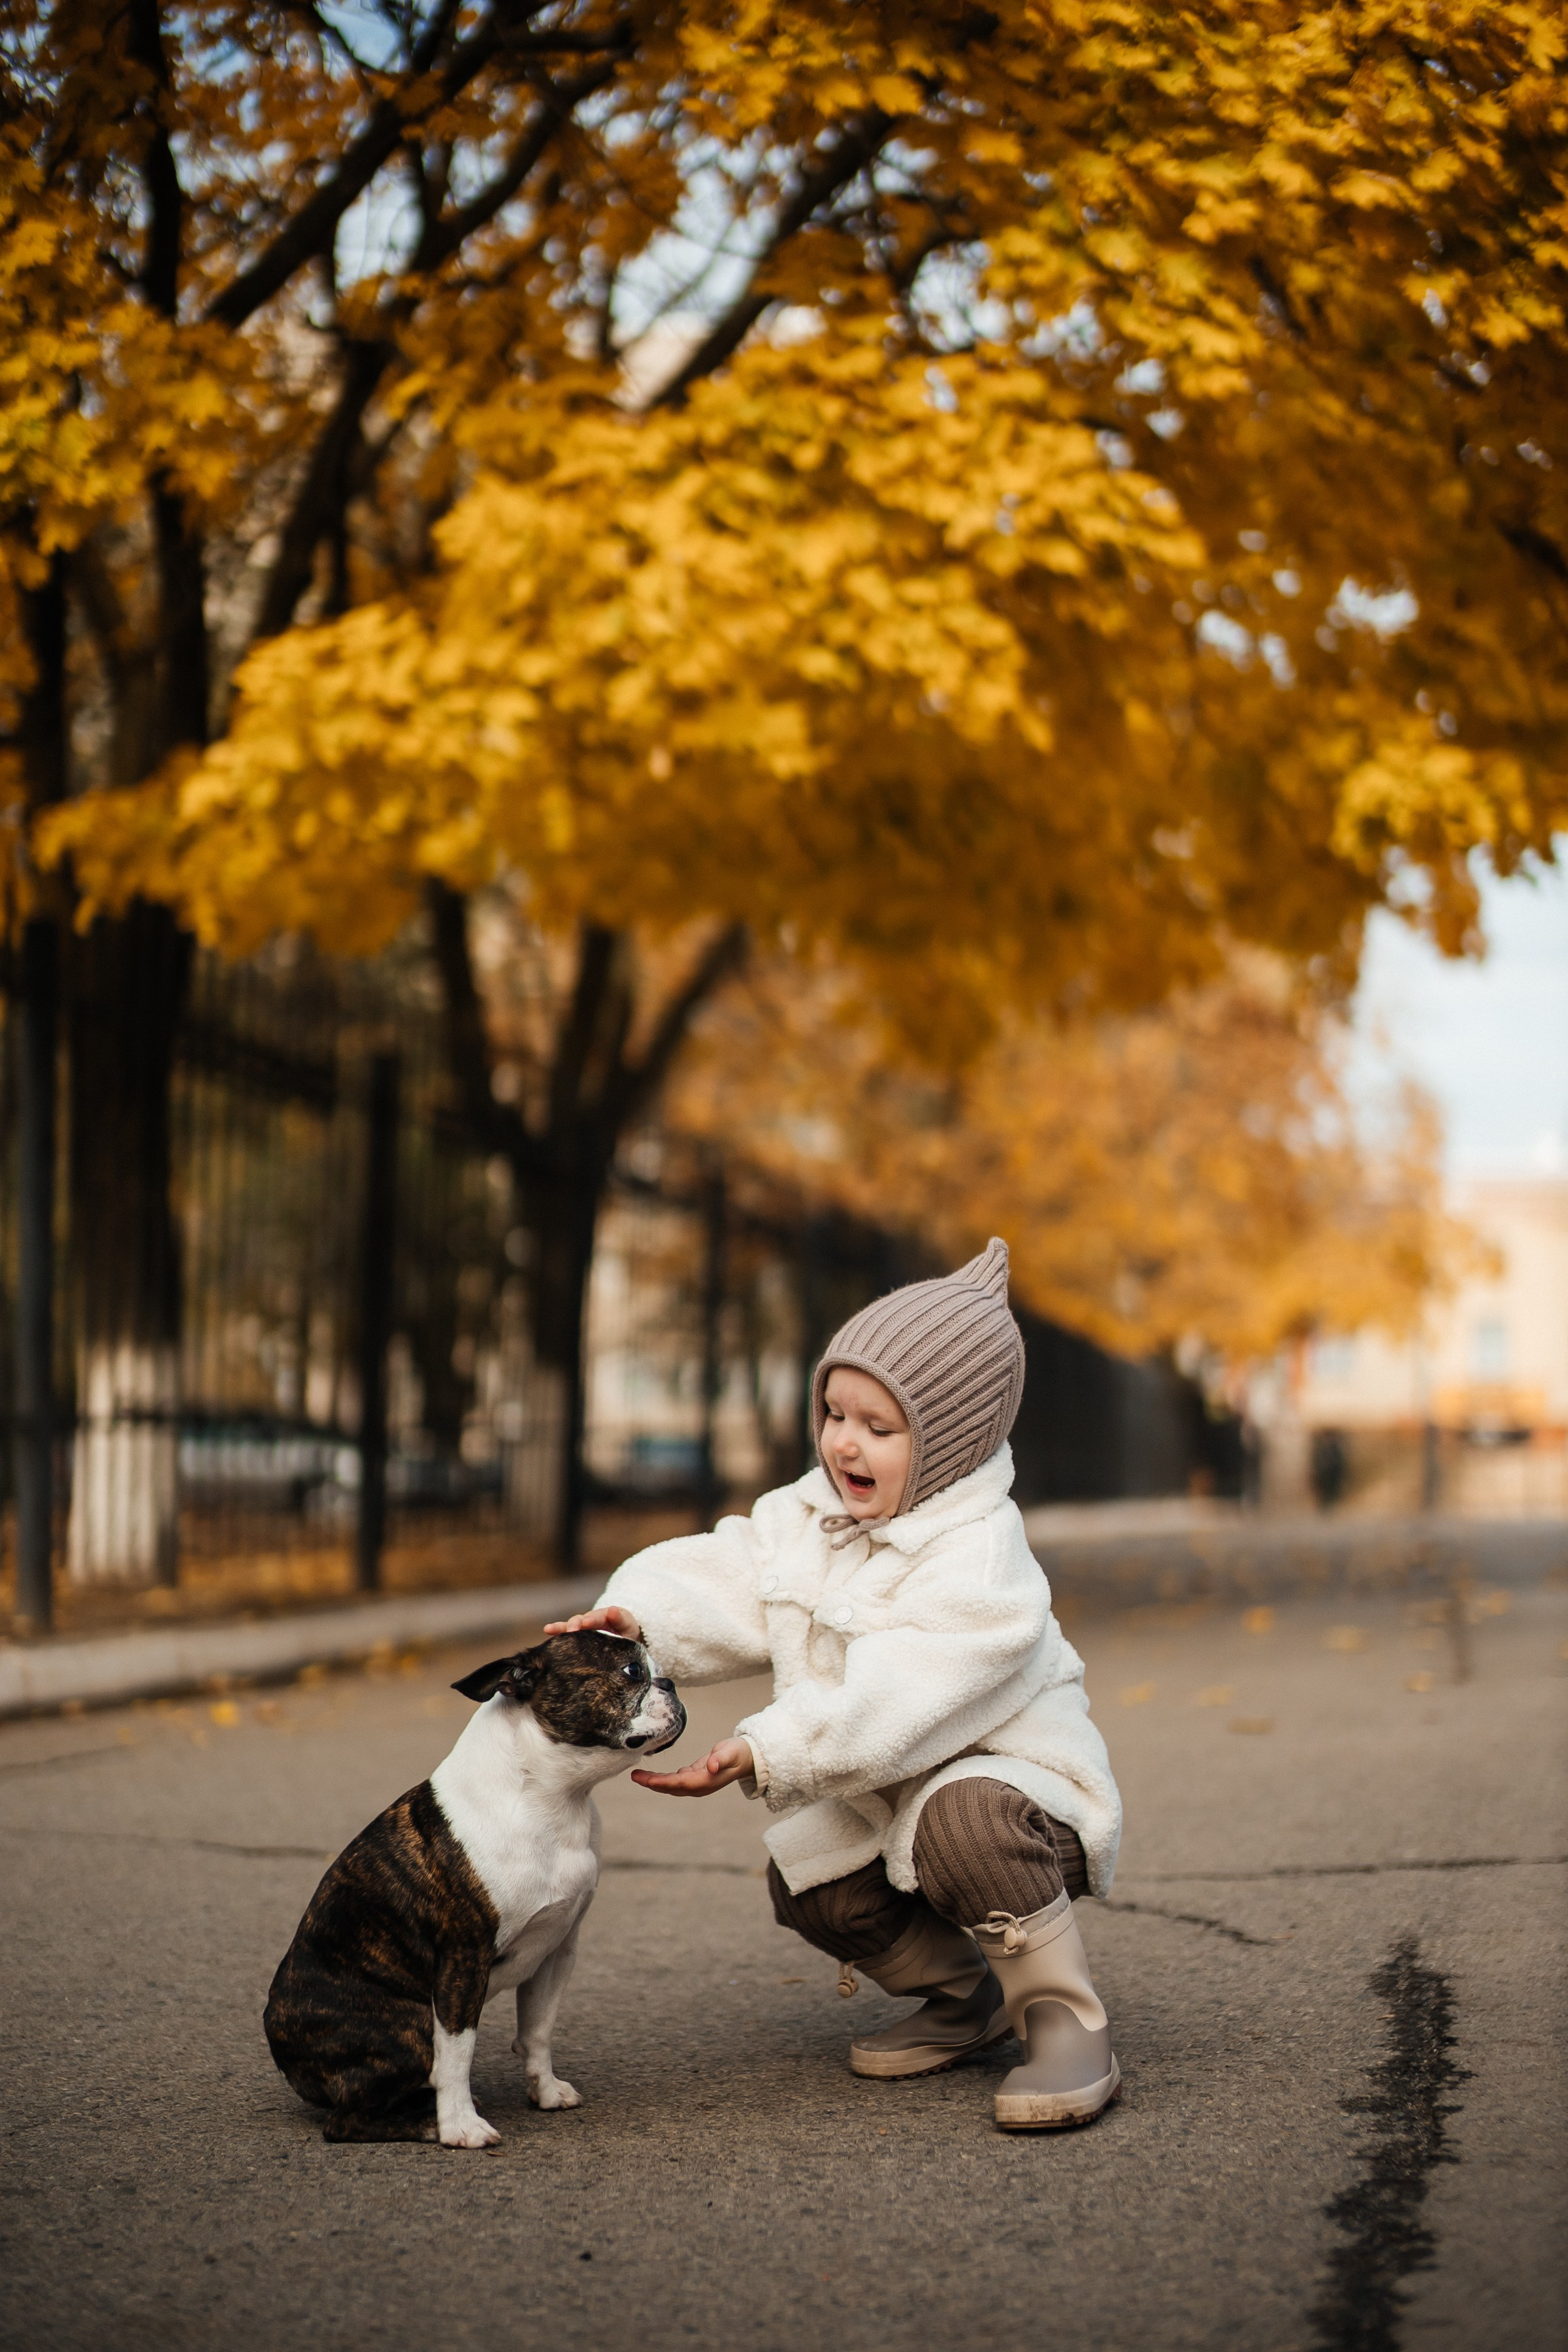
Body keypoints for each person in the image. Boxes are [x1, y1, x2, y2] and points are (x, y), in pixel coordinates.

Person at [546, 1239, 1122, 2131]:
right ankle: (968, 1999)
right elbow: (730, 1571)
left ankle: (1061, 2021)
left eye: (879, 1429)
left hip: (1019, 1798)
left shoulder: (981, 1560)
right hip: (886, 1792)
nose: (844, 1442)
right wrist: (636, 1619)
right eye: (834, 1413)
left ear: (948, 1447)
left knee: (962, 1823)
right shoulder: (813, 1515)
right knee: (814, 1877)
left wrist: (767, 1747)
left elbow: (903, 1692)